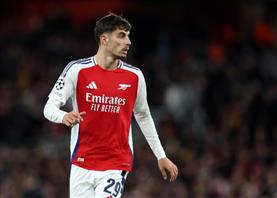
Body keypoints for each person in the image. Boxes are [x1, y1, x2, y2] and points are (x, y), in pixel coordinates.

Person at [43, 13, 178, 198]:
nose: (128, 42)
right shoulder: (77, 70)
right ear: (104, 39)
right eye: (122, 35)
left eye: (128, 36)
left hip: (115, 164)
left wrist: (160, 155)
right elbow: (49, 107)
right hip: (81, 162)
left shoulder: (134, 76)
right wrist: (63, 116)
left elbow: (143, 115)